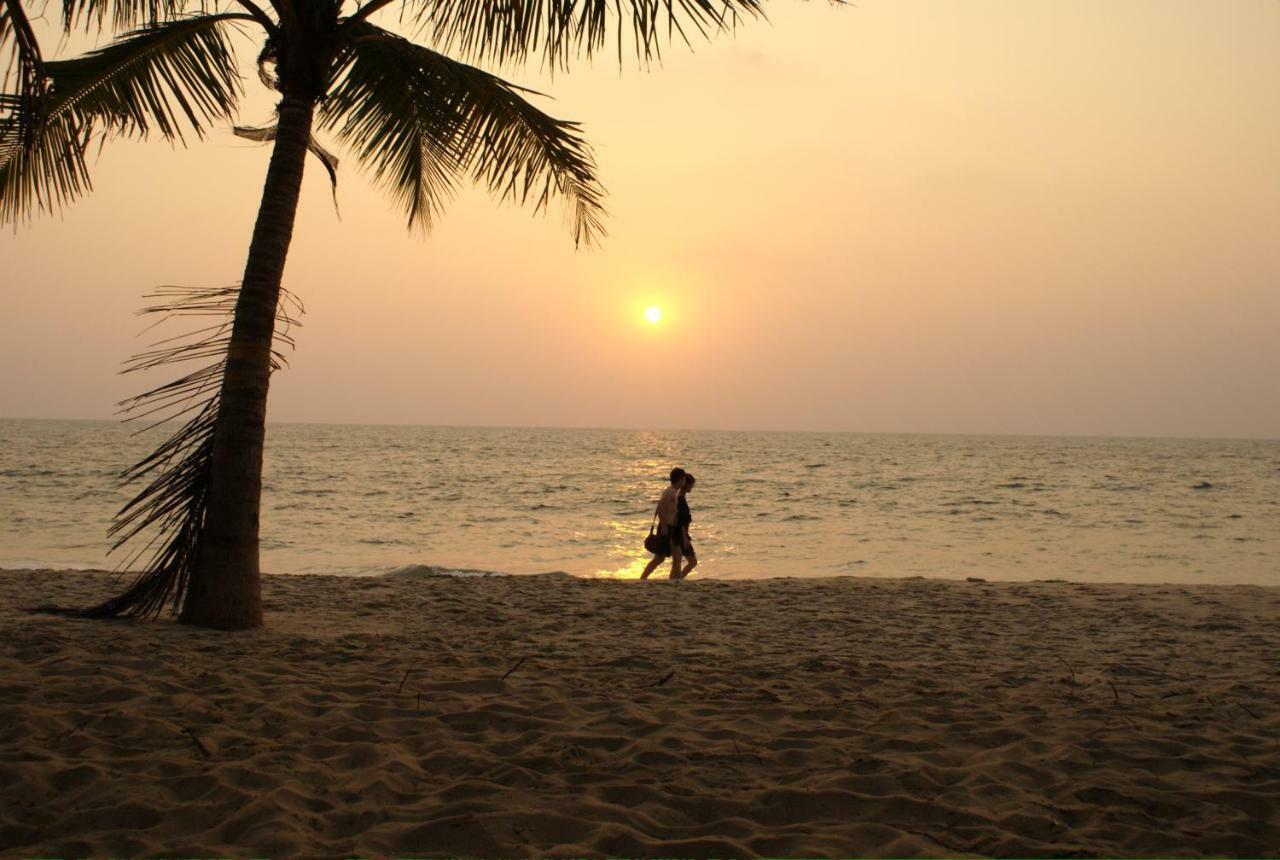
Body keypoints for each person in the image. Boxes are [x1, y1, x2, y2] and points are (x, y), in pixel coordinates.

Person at [641, 467, 684, 579]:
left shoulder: (674, 492)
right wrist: (664, 525)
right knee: (676, 556)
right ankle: (675, 580)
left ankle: (644, 578)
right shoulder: (669, 492)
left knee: (661, 558)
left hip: (671, 527)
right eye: (683, 479)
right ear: (680, 479)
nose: (684, 481)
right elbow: (660, 508)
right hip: (667, 527)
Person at [675, 473, 697, 579]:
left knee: (679, 561)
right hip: (681, 535)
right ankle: (678, 579)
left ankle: (678, 579)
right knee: (692, 561)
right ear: (686, 484)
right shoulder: (680, 499)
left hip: (682, 534)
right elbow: (681, 521)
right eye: (692, 484)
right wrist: (684, 538)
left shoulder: (681, 497)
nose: (692, 487)